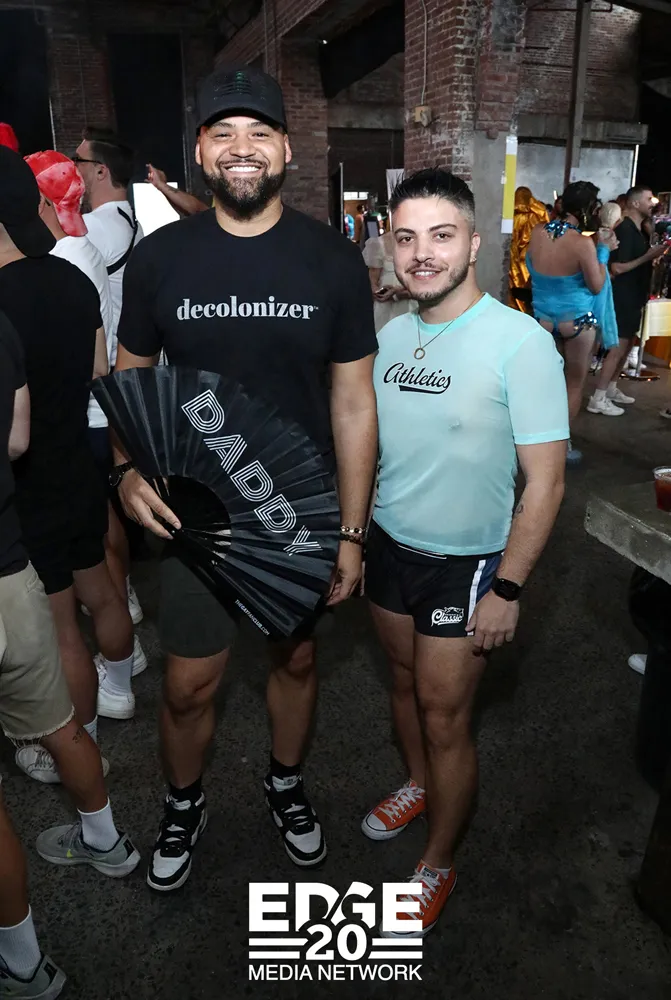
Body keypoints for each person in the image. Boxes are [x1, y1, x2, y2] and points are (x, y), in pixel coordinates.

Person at [112, 65, 378, 892]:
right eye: (222, 133)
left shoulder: (331, 260)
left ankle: (285, 784)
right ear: (199, 152)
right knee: (189, 685)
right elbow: (130, 376)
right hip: (194, 510)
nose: (241, 148)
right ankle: (183, 802)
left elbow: (353, 404)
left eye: (258, 132)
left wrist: (351, 533)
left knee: (294, 664)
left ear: (285, 149)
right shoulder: (159, 260)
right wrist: (124, 471)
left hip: (296, 507)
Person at [361, 167, 568, 938]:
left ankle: (439, 859)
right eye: (406, 237)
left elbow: (545, 484)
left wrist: (506, 588)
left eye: (440, 236)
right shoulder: (389, 337)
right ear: (390, 245)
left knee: (444, 715)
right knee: (402, 684)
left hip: (468, 564)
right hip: (389, 546)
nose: (422, 253)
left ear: (474, 244)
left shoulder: (522, 343)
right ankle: (417, 782)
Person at [0, 308, 140, 999]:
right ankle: (107, 843)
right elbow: (16, 439)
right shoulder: (4, 324)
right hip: (8, 572)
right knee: (61, 726)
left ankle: (23, 965)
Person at [0, 148, 138, 786]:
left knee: (62, 630)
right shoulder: (72, 279)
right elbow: (99, 371)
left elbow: (14, 432)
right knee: (102, 590)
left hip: (31, 484)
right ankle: (122, 688)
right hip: (79, 460)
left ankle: (82, 748)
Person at [24, 151, 146, 663]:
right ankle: (124, 623)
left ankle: (123, 636)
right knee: (100, 531)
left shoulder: (66, 257)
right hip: (93, 410)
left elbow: (87, 361)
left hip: (85, 417)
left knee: (97, 543)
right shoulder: (83, 244)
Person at [73, 128, 145, 625]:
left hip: (99, 393)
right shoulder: (130, 221)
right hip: (124, 386)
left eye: (77, 161)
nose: (70, 169)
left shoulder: (93, 228)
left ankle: (120, 601)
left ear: (99, 170)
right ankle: (126, 595)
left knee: (101, 513)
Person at [527, 181, 618, 462]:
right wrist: (604, 250)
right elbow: (596, 285)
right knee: (573, 384)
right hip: (577, 322)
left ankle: (534, 440)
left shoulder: (537, 233)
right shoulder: (582, 244)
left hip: (542, 320)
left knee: (544, 383)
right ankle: (560, 448)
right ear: (589, 210)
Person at [587, 186, 666, 413]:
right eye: (648, 199)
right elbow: (617, 268)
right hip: (623, 296)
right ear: (634, 203)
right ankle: (598, 397)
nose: (652, 203)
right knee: (617, 347)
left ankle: (611, 387)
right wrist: (647, 257)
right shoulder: (625, 231)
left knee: (628, 342)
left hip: (635, 295)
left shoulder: (639, 230)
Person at [362, 230, 415, 332]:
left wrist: (397, 293)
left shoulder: (420, 243)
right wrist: (378, 292)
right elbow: (372, 278)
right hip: (385, 306)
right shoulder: (378, 243)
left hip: (410, 305)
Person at [509, 186, 549, 314]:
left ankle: (515, 309)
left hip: (513, 255)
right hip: (530, 255)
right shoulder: (536, 214)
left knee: (514, 283)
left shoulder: (513, 215)